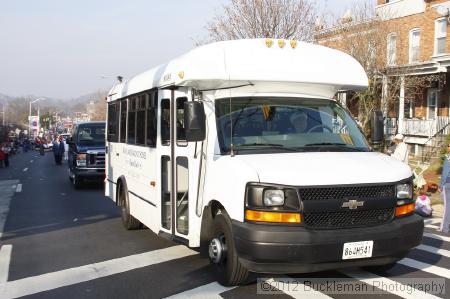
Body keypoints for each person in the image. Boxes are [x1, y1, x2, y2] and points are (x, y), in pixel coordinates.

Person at [439, 143, 450, 233]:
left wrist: (441, 185)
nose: (447, 147)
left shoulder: (448, 157)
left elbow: (445, 173)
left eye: (449, 146)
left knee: (447, 206)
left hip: (448, 184)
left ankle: (444, 227)